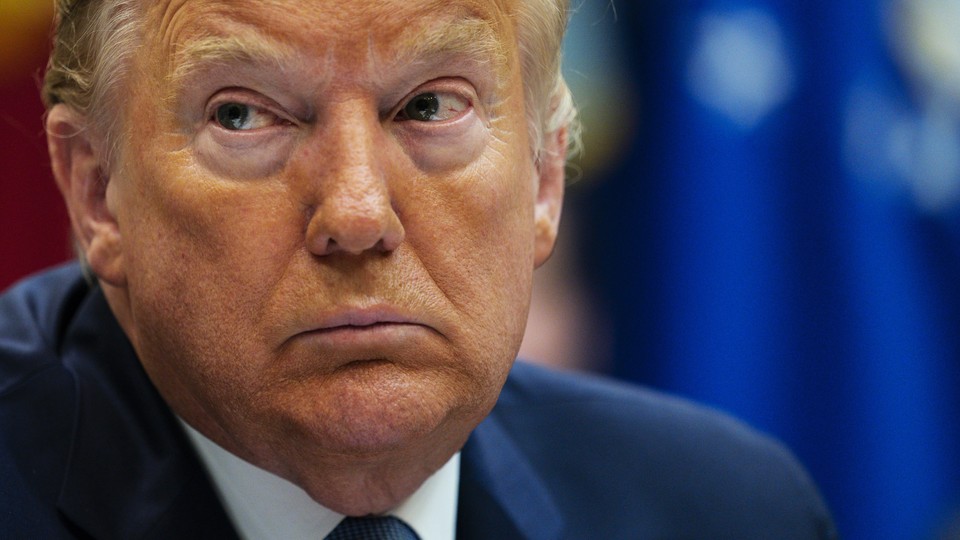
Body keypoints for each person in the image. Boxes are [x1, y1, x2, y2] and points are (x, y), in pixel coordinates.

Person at [0, 0, 837, 538]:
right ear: (98, 192)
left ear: (545, 178)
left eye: (431, 105)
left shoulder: (728, 511)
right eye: (243, 114)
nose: (358, 214)